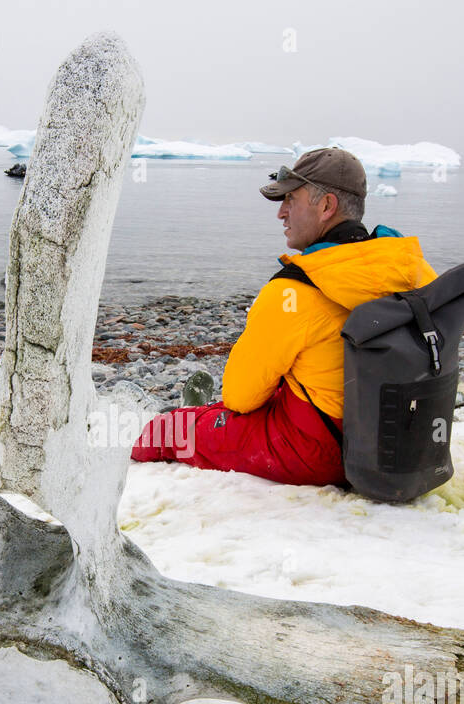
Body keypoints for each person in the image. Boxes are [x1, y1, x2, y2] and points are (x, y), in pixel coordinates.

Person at [129, 147, 438, 487]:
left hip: (319, 452)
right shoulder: (416, 272)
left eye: (291, 199)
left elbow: (240, 397)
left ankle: (127, 453)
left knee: (170, 429)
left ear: (326, 206)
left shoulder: (296, 291)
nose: (281, 213)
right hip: (399, 441)